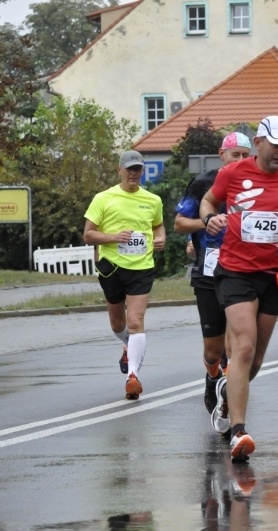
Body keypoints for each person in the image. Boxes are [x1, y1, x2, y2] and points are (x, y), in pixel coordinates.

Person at [200, 115, 278, 461]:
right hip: (235, 270)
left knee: (256, 358)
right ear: (259, 143)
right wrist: (211, 219)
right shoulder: (232, 174)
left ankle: (227, 396)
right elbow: (208, 202)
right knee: (245, 347)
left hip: (274, 274)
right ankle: (239, 430)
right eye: (277, 145)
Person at [174, 132, 251, 418]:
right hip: (208, 271)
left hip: (242, 271)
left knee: (236, 341)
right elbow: (180, 223)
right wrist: (207, 222)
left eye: (246, 155)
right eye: (236, 155)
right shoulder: (204, 183)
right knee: (213, 349)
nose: (241, 161)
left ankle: (230, 396)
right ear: (222, 155)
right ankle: (212, 376)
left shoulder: (255, 184)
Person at [84, 150, 165, 400]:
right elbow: (88, 235)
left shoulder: (152, 200)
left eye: (138, 169)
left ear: (142, 171)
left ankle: (132, 377)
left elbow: (158, 225)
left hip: (141, 266)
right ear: (119, 169)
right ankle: (129, 347)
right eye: (129, 168)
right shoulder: (103, 198)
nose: (133, 173)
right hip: (113, 268)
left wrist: (161, 237)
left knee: (136, 320)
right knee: (118, 324)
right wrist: (113, 237)